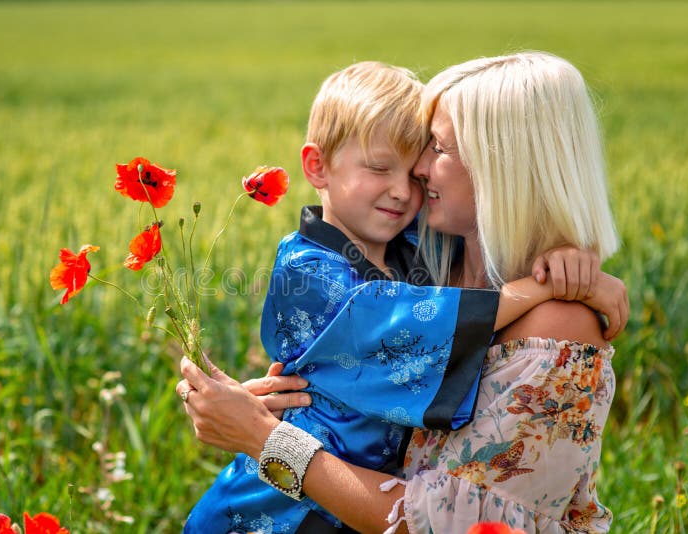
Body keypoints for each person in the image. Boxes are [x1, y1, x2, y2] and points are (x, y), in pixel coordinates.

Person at [180, 55, 628, 534]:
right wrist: (247, 409)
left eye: (436, 147)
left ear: (505, 166)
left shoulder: (555, 331)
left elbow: (442, 526)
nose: (416, 169)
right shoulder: (412, 265)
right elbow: (379, 340)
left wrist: (263, 437)